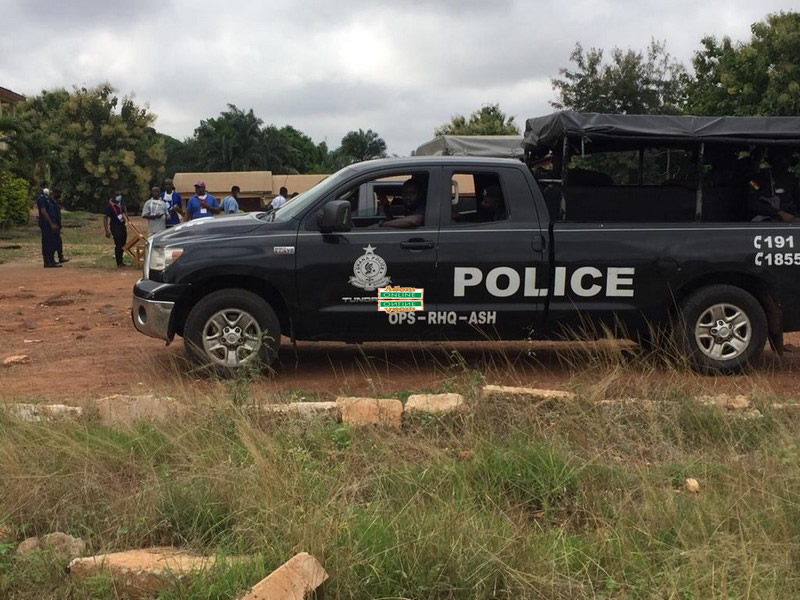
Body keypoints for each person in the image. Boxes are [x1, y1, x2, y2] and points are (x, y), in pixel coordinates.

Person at [748, 148, 800, 222]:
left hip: (790, 223)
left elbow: (797, 202)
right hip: (763, 223)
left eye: (786, 159)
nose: (782, 163)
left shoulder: (793, 181)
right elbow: (753, 203)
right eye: (779, 159)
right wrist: (779, 213)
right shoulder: (757, 180)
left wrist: (796, 217)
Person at [36, 185, 61, 268]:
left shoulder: (48, 199)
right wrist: (51, 223)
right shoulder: (41, 199)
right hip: (46, 224)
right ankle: (47, 261)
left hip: (51, 224)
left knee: (52, 242)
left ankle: (52, 260)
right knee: (47, 242)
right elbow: (43, 211)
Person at [102, 191, 128, 267]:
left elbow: (124, 212)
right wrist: (107, 231)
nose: (119, 197)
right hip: (115, 227)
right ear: (113, 196)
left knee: (123, 243)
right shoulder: (108, 206)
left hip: (122, 225)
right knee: (118, 243)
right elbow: (105, 218)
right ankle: (118, 262)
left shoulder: (121, 204)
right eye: (117, 195)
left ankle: (121, 260)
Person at [51, 187, 68, 263]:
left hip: (57, 225)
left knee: (58, 242)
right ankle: (52, 258)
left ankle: (60, 256)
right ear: (55, 193)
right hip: (53, 225)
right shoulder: (51, 202)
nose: (60, 195)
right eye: (59, 194)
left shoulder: (56, 202)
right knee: (54, 242)